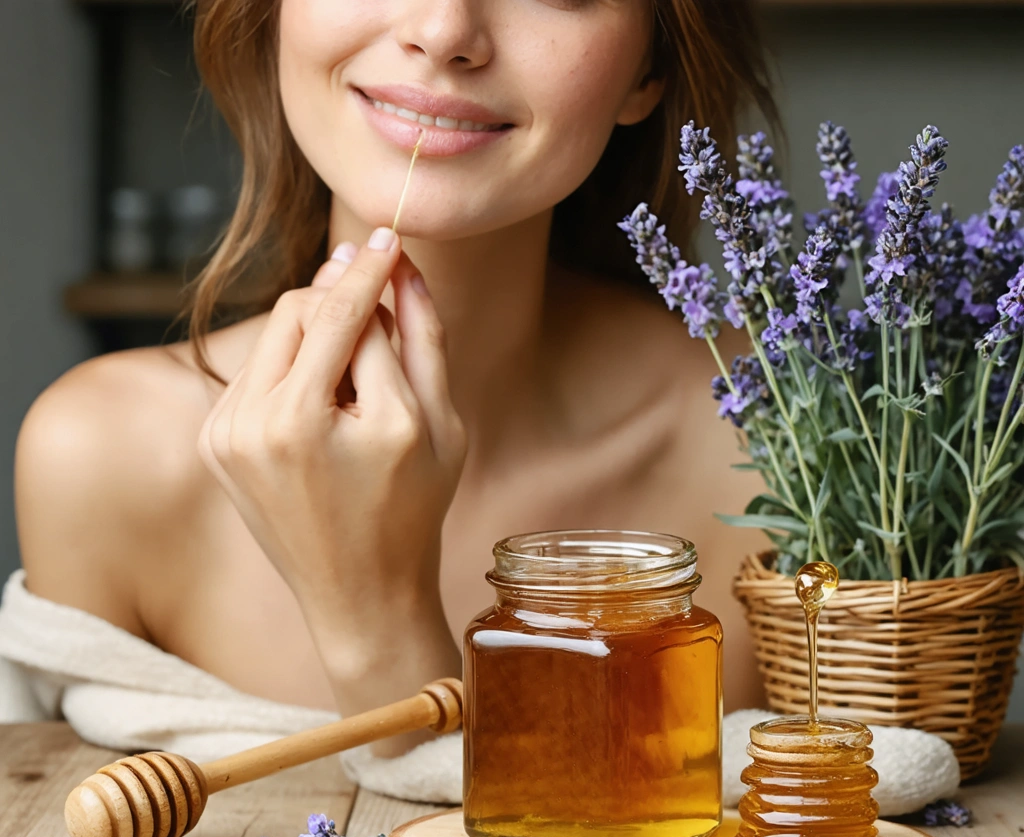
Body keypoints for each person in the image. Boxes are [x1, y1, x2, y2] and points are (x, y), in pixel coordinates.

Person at [2, 0, 775, 786]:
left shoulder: (776, 448)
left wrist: (377, 619)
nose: (442, 32)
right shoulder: (102, 456)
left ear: (648, 69)